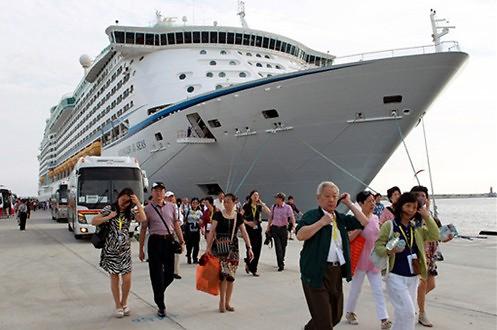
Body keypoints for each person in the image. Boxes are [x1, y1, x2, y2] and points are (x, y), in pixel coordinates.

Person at [296, 181, 370, 330]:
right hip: (315, 271)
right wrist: (321, 223)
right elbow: (300, 234)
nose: (331, 200)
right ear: (319, 198)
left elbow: (364, 221)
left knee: (335, 316)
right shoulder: (313, 215)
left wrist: (349, 203)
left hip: (335, 272)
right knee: (324, 321)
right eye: (327, 196)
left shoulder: (340, 217)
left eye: (334, 196)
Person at [374, 192, 440, 330]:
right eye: (408, 205)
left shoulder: (416, 228)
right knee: (409, 313)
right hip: (395, 276)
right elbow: (378, 247)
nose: (410, 210)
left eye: (414, 207)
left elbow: (435, 235)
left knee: (401, 315)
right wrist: (389, 251)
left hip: (413, 277)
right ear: (400, 206)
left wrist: (427, 216)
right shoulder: (389, 226)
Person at [91, 188, 146, 318]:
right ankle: (118, 305)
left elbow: (143, 218)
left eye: (127, 202)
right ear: (119, 197)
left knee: (127, 279)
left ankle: (124, 302)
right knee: (114, 278)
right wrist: (109, 217)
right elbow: (93, 221)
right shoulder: (109, 208)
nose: (124, 203)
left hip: (125, 250)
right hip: (111, 250)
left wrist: (138, 203)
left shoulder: (130, 212)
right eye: (122, 199)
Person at [345, 191, 391, 329]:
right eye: (369, 201)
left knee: (378, 289)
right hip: (359, 259)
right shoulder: (354, 219)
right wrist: (359, 228)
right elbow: (348, 239)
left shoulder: (376, 218)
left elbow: (378, 237)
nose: (373, 204)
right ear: (360, 203)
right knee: (356, 289)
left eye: (373, 201)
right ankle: (349, 312)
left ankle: (384, 319)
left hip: (373, 260)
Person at [139, 182, 185, 318]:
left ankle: (158, 292)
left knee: (170, 275)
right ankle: (161, 305)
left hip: (168, 242)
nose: (159, 193)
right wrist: (141, 248)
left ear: (165, 192)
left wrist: (182, 241)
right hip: (155, 242)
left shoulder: (172, 206)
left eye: (161, 190)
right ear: (152, 192)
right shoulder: (147, 209)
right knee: (156, 275)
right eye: (156, 190)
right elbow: (143, 229)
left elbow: (176, 224)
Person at [410, 186, 452, 327]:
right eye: (418, 195)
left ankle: (411, 301)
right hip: (421, 256)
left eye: (423, 195)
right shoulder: (413, 217)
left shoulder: (432, 217)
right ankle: (422, 313)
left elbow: (438, 236)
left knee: (431, 285)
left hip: (432, 256)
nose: (421, 197)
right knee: (422, 284)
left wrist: (447, 238)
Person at [206, 193, 254, 313]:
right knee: (223, 276)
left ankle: (228, 302)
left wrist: (249, 247)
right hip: (220, 248)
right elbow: (212, 231)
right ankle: (222, 302)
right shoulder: (218, 215)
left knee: (231, 277)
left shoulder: (238, 216)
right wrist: (208, 247)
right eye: (225, 201)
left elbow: (244, 232)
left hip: (233, 249)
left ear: (234, 203)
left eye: (228, 201)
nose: (226, 203)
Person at [240, 190, 271, 276]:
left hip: (258, 229)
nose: (256, 196)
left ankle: (254, 268)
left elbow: (269, 213)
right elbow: (240, 217)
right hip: (249, 229)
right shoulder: (246, 206)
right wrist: (247, 223)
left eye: (257, 195)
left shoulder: (259, 206)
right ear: (251, 196)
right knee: (250, 248)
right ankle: (249, 264)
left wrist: (262, 204)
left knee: (258, 249)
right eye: (254, 195)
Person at [267, 192, 296, 271]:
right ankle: (280, 264)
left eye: (277, 198)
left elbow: (292, 217)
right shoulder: (273, 207)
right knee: (278, 247)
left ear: (281, 199)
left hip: (283, 229)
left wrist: (293, 226)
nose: (275, 200)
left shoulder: (288, 207)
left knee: (283, 246)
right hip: (275, 229)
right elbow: (270, 218)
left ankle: (281, 259)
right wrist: (268, 227)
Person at [166, 191, 183, 280]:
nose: (171, 198)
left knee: (176, 251)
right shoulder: (164, 207)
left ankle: (175, 271)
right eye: (169, 197)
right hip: (168, 231)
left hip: (176, 230)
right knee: (167, 252)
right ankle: (167, 269)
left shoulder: (177, 207)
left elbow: (181, 218)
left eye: (172, 196)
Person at [184, 197, 203, 264]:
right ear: (191, 203)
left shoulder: (200, 212)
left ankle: (195, 258)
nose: (195, 204)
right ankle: (188, 256)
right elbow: (185, 219)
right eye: (193, 203)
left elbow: (202, 220)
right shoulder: (187, 210)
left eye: (196, 203)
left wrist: (201, 223)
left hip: (196, 229)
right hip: (189, 229)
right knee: (189, 244)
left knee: (196, 245)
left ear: (198, 204)